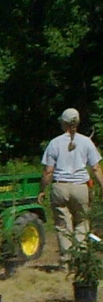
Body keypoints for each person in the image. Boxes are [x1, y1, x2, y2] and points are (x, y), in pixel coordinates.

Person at [41, 108, 103, 261]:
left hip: (60, 187)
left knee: (63, 225)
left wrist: (42, 189)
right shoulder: (86, 142)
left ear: (63, 123)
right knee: (82, 221)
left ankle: (66, 260)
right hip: (81, 187)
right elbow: (95, 168)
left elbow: (48, 171)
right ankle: (81, 258)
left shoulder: (54, 143)